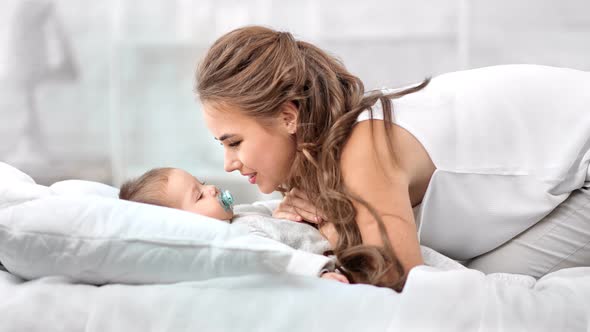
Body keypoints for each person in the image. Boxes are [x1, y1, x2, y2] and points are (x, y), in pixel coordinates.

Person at [194, 25, 590, 291]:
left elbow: (400, 280)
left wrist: (331, 230)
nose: (229, 163)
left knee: (480, 291)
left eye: (234, 142)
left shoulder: (364, 147)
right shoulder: (336, 149)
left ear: (288, 116)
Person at [119, 167, 348, 283]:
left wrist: (286, 206)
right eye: (199, 196)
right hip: (332, 264)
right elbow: (278, 259)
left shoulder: (238, 213)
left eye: (203, 183)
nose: (211, 189)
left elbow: (267, 209)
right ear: (186, 225)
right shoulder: (236, 237)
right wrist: (319, 274)